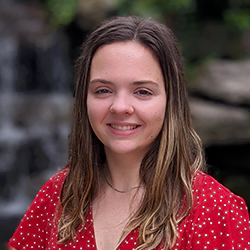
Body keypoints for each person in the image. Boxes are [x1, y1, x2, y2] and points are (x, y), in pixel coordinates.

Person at [8, 16, 250, 250]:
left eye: (142, 91)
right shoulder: (58, 194)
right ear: (84, 98)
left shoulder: (216, 209)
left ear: (171, 101)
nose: (120, 106)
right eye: (103, 90)